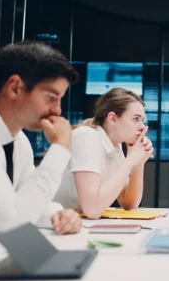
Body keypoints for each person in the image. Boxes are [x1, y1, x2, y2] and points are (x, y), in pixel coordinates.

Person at [0, 41, 82, 235]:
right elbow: (12, 224)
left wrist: (58, 214)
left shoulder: (20, 143)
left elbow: (21, 204)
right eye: (51, 97)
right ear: (15, 87)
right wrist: (61, 148)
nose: (58, 110)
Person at [53, 88, 153, 219]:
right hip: (49, 223)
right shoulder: (86, 136)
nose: (142, 127)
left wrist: (138, 163)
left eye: (142, 120)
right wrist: (130, 161)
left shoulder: (115, 147)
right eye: (136, 119)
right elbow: (93, 210)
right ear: (112, 118)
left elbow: (129, 203)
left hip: (75, 223)